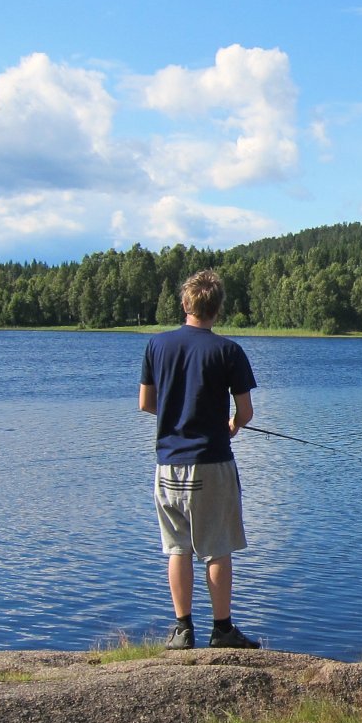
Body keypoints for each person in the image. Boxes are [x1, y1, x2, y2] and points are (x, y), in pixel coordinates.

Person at [139, 269, 261, 650]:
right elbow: (245, 413)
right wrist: (230, 425)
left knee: (177, 547)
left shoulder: (156, 346)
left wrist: (176, 419)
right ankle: (222, 630)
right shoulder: (228, 351)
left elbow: (146, 403)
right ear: (217, 309)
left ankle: (182, 630)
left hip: (168, 463)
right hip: (211, 462)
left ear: (185, 303)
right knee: (216, 547)